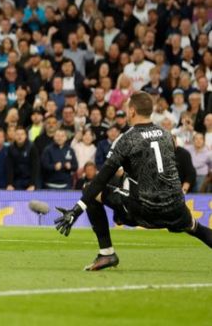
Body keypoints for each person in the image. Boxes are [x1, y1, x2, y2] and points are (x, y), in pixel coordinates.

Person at [51, 91, 212, 271]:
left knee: (92, 189)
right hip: (175, 207)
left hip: (144, 209)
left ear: (133, 111)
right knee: (195, 228)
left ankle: (107, 253)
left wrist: (76, 210)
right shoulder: (167, 135)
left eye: (128, 108)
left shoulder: (128, 139)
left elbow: (102, 178)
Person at [6, 126, 39, 191]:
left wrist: (32, 184)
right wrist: (10, 184)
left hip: (29, 180)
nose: (19, 136)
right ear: (14, 136)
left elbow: (35, 167)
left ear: (26, 136)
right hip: (17, 181)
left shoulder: (32, 148)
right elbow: (9, 167)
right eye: (17, 134)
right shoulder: (11, 148)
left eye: (22, 134)